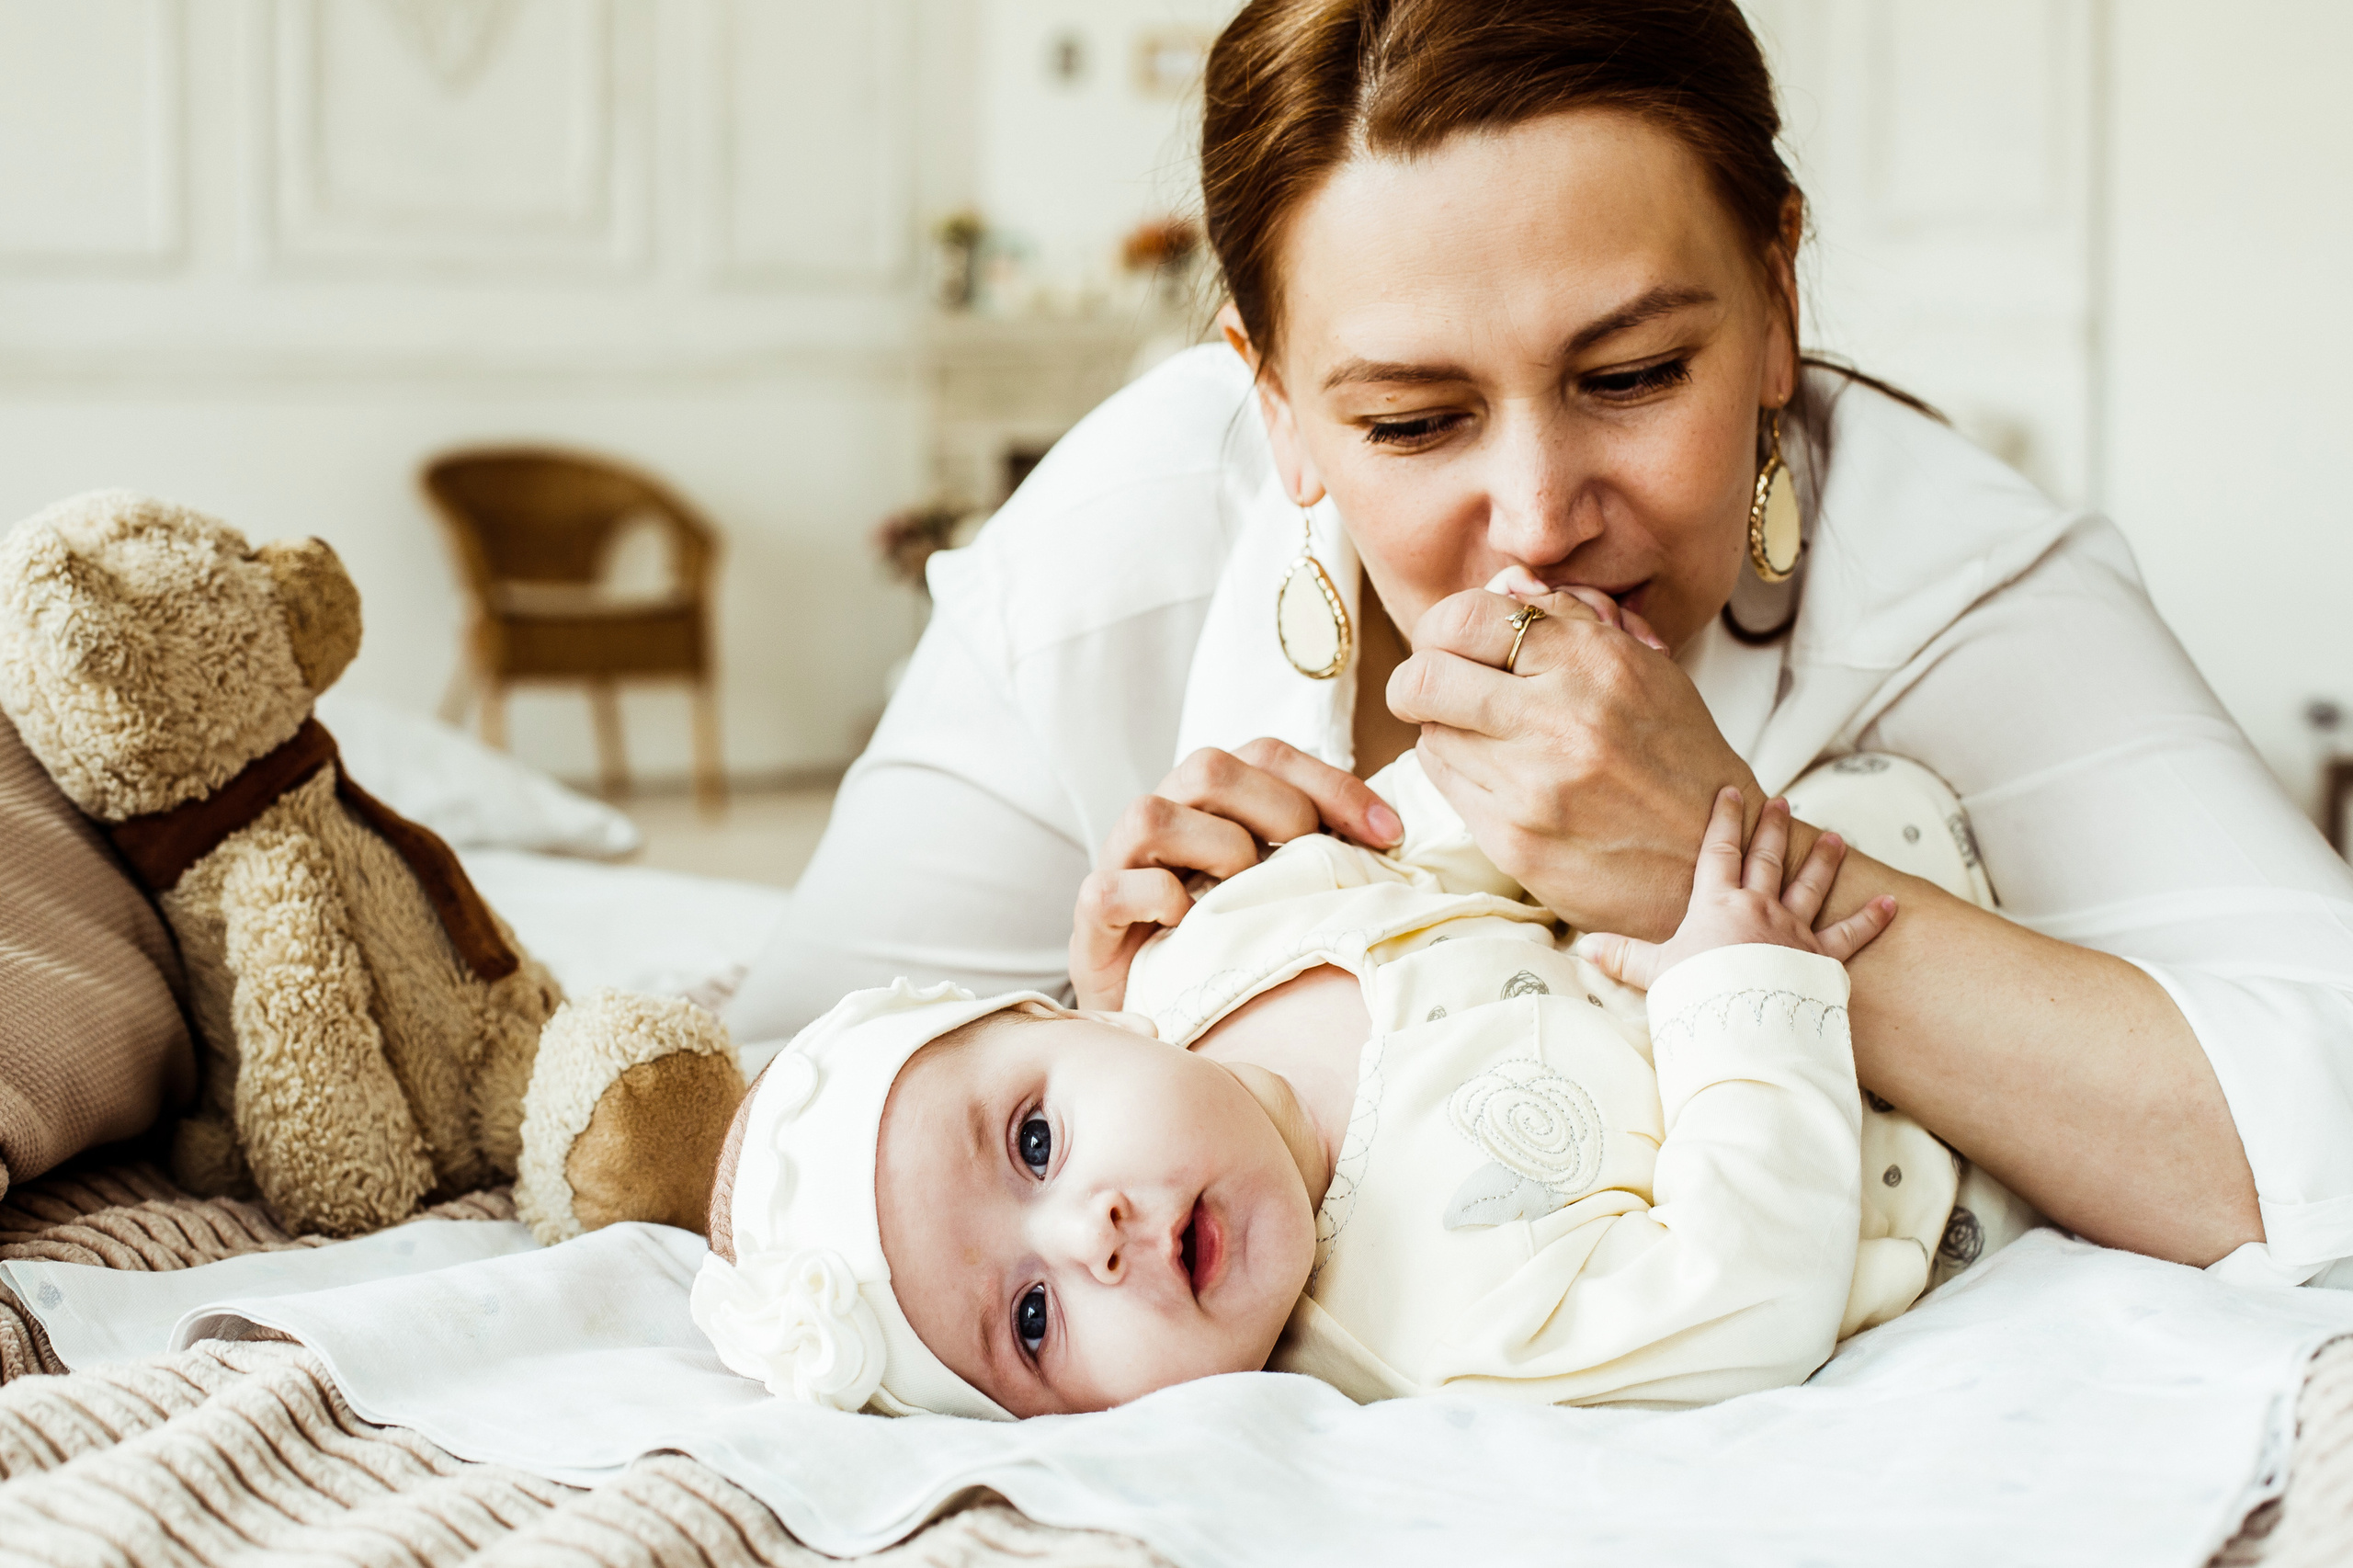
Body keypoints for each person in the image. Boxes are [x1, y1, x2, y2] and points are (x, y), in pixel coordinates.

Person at [724, 0, 2353, 1289]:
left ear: (1777, 303)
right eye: (1412, 419)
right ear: (1273, 402)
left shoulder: (1957, 579)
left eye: (1632, 377)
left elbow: (2323, 1108)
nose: (1539, 518)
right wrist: (1099, 1026)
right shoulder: (1110, 569)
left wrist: (1713, 863)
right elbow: (770, 1111)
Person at [695, 751, 1942, 1417]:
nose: (1092, 1237)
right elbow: (1743, 1298)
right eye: (1030, 1322)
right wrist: (1740, 989)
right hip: (1909, 1068)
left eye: (1033, 1142)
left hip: (1794, 808)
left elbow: (1464, 831)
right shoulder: (1440, 1342)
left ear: (1070, 1015)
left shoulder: (1217, 937)